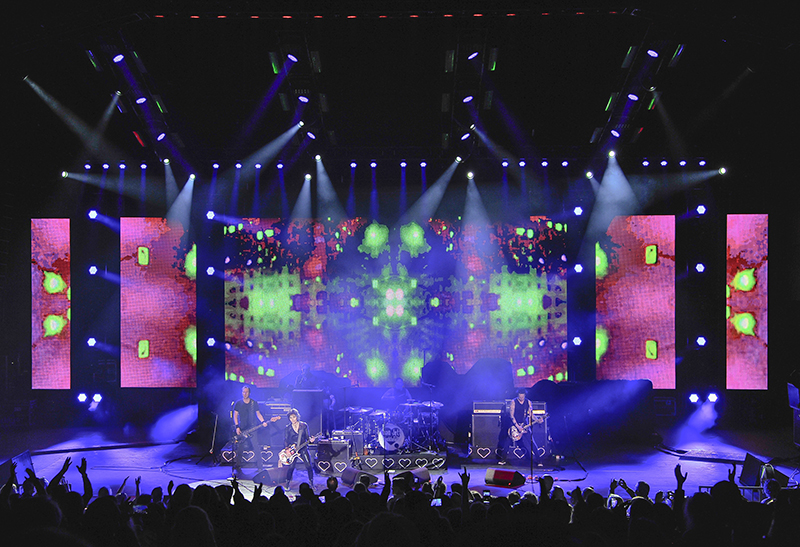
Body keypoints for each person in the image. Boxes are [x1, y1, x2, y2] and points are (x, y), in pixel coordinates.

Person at [232, 385, 277, 479]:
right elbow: (235, 415)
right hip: (242, 428)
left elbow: (258, 414)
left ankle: (260, 467)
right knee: (240, 448)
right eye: (243, 392)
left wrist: (263, 421)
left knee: (256, 446)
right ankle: (238, 466)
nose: (245, 393)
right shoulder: (238, 403)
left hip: (253, 428)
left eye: (246, 392)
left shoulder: (254, 403)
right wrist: (237, 427)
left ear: (249, 392)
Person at [282, 408, 315, 488]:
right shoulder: (288, 428)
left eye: (294, 417)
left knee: (309, 466)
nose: (292, 419)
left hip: (303, 448)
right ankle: (287, 483)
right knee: (291, 467)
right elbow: (286, 440)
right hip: (293, 450)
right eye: (290, 418)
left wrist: (311, 440)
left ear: (297, 417)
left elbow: (308, 438)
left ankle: (311, 483)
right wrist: (287, 450)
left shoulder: (303, 426)